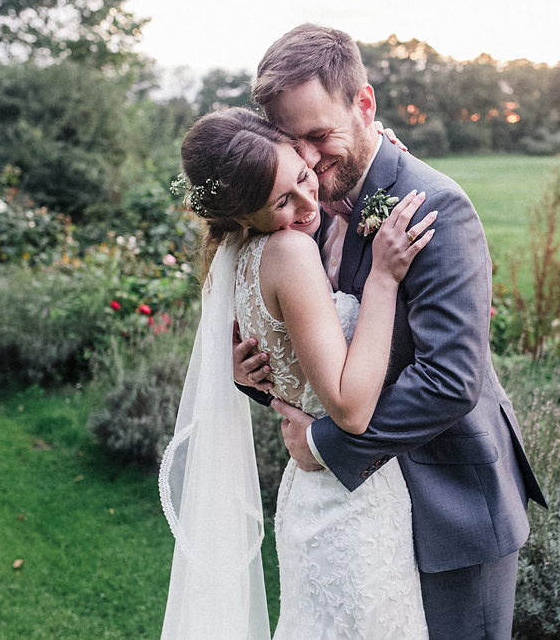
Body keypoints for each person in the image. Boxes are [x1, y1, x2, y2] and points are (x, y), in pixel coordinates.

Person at [235, 24, 547, 640]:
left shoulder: (437, 207)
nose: (307, 159)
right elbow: (310, 344)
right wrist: (259, 377)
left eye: (319, 136)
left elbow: (449, 379)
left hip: (451, 506)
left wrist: (326, 444)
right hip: (363, 521)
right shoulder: (301, 206)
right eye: (292, 142)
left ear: (365, 104)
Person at [159, 107, 435, 639]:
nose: (310, 205)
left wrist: (378, 155)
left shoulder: (236, 253)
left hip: (307, 493)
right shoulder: (289, 252)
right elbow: (350, 408)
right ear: (242, 213)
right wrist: (382, 277)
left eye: (304, 176)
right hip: (352, 502)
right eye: (283, 200)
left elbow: (283, 366)